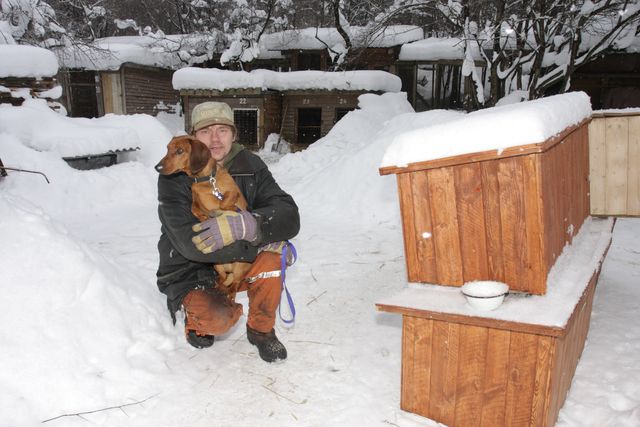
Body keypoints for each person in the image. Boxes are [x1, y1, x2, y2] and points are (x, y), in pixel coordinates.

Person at [156, 101, 300, 363]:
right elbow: (190, 244)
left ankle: (260, 330)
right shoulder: (174, 174)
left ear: (233, 135)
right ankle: (198, 317)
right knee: (216, 319)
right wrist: (254, 243)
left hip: (238, 263)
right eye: (205, 131)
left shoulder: (251, 165)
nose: (214, 139)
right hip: (192, 268)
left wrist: (252, 225)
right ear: (192, 137)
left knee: (271, 261)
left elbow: (288, 214)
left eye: (222, 130)